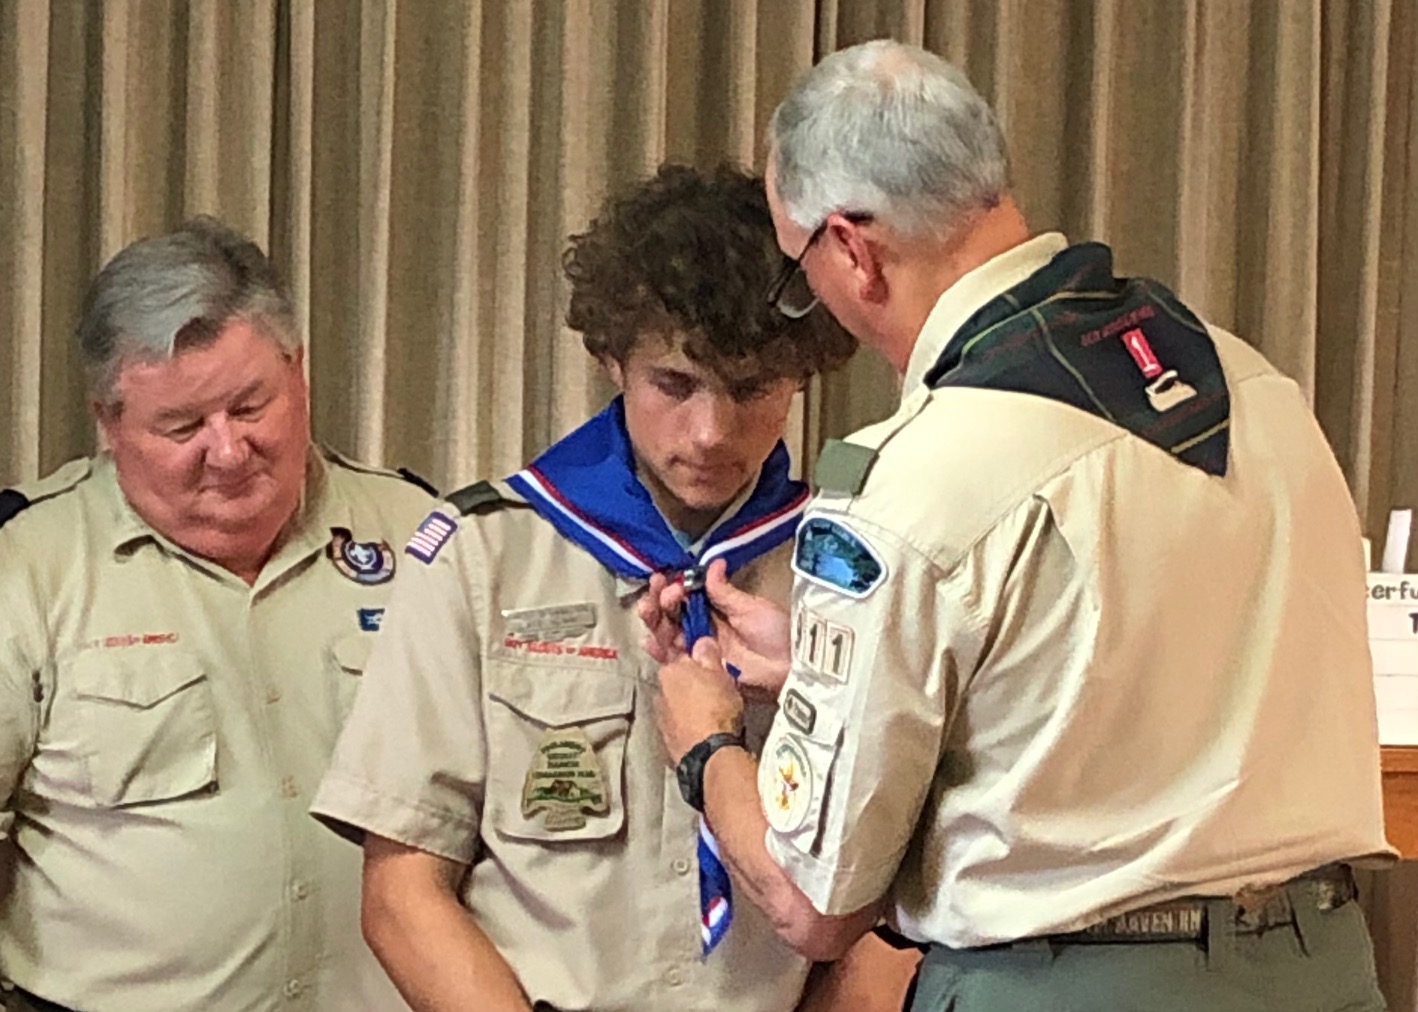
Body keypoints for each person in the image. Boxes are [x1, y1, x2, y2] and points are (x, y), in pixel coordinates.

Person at [646, 40, 1397, 1012]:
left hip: (1068, 986)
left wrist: (706, 745)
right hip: (1324, 969)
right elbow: (1123, 685)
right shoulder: (1255, 387)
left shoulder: (909, 479)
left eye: (802, 275)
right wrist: (843, 670)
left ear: (853, 251)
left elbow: (813, 902)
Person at [310, 164, 919, 1011]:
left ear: (802, 374)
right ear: (611, 359)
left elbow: (895, 904)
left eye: (752, 389)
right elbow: (403, 891)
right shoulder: (483, 555)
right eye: (676, 384)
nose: (711, 432)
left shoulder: (849, 571)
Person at [0, 218, 435, 1012]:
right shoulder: (25, 566)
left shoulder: (423, 537)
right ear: (108, 422)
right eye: (183, 426)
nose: (229, 451)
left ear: (298, 372)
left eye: (250, 406)